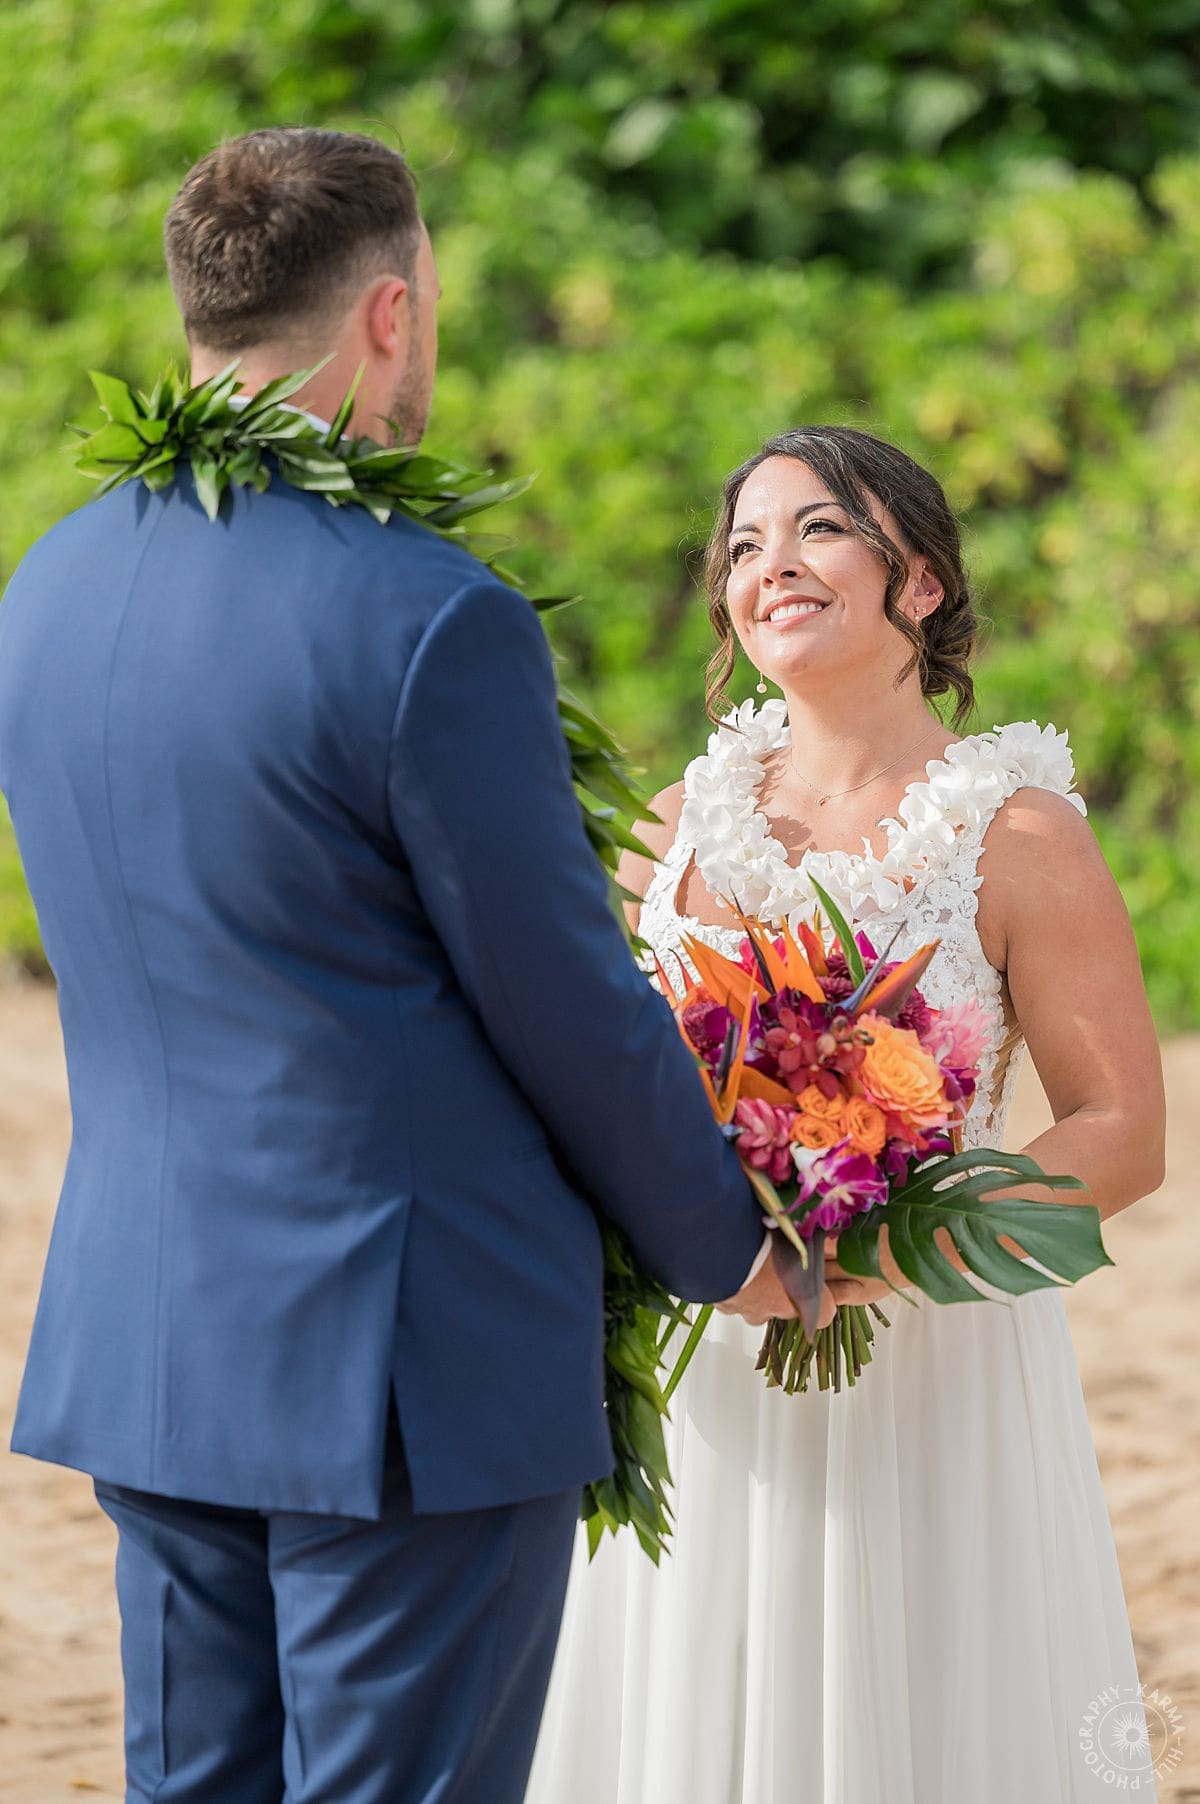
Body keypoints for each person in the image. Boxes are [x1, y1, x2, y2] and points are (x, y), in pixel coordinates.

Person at [0, 129, 830, 1804]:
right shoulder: (428, 611)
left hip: (150, 1340)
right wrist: (724, 1243)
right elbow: (565, 997)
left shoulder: (47, 585)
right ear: (389, 311)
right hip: (401, 1365)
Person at [526, 426, 1167, 1804]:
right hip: (715, 1357)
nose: (772, 567)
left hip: (934, 1364)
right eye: (744, 545)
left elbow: (1121, 1127)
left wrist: (873, 1259)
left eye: (817, 528)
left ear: (919, 583)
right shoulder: (675, 824)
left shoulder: (1020, 832)